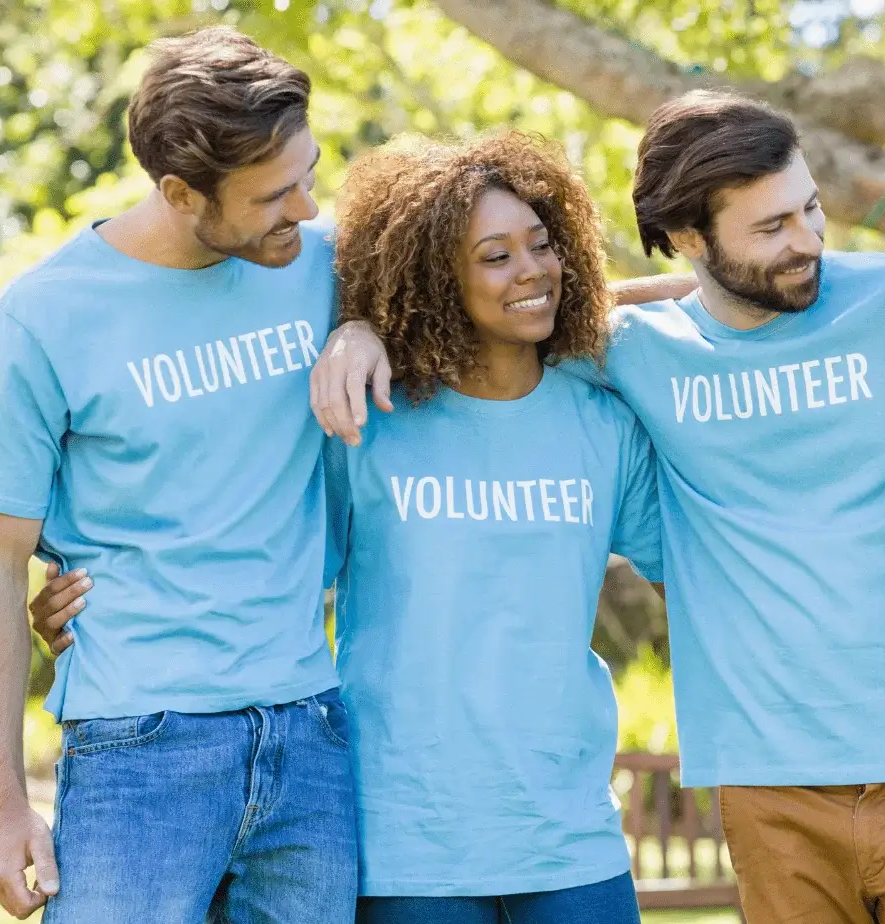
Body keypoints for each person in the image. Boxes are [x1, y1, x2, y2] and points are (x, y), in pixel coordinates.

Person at [310, 89, 885, 923]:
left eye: (808, 208)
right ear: (688, 236)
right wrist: (362, 327)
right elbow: (495, 309)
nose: (808, 239)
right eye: (771, 226)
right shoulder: (629, 356)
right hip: (768, 782)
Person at [0, 27, 356, 923]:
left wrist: (363, 324)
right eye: (273, 195)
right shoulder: (37, 322)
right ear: (179, 192)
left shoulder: (324, 263)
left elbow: (535, 302)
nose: (305, 207)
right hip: (141, 745)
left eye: (309, 175)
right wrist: (5, 806)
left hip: (311, 730)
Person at [325, 131, 662, 922]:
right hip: (407, 841)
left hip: (568, 831)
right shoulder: (367, 422)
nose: (532, 271)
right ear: (439, 277)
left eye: (542, 245)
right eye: (496, 256)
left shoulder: (604, 425)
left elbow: (698, 575)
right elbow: (270, 577)